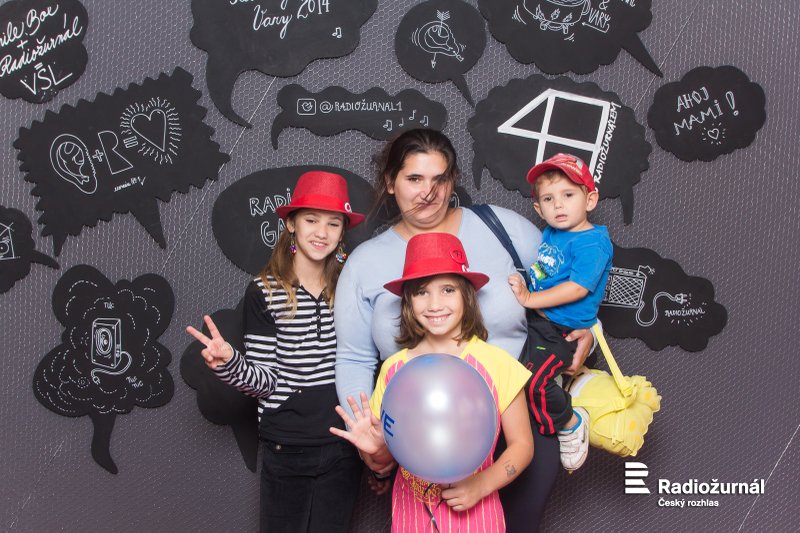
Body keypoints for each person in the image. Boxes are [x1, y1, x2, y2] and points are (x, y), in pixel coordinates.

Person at [334, 128, 595, 531]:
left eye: (439, 178)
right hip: (425, 435)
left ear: (453, 180)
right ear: (390, 182)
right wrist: (374, 441)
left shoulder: (502, 228)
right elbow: (354, 358)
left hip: (519, 418)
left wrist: (588, 330)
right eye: (414, 178)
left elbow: (572, 279)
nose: (428, 192)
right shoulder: (365, 263)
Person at [186, 171, 364, 533]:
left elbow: (363, 361)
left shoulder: (349, 285)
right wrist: (229, 363)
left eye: (333, 223)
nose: (322, 232)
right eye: (311, 220)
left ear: (342, 232)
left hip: (344, 445)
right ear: (291, 224)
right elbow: (265, 382)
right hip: (287, 446)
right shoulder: (264, 291)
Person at [332, 232, 533, 532]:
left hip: (478, 519)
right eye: (422, 292)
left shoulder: (497, 364)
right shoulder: (394, 370)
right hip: (411, 517)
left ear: (466, 295)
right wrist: (374, 451)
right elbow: (388, 455)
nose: (434, 304)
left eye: (448, 290)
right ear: (408, 301)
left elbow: (523, 446)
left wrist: (481, 484)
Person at [507, 153, 613, 472]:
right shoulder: (553, 233)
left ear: (590, 199)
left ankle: (570, 421)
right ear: (539, 209)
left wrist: (528, 298)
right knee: (513, 374)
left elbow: (577, 288)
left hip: (561, 331)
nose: (559, 205)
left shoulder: (592, 242)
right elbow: (547, 271)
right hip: (538, 323)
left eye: (568, 195)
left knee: (534, 382)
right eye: (549, 199)